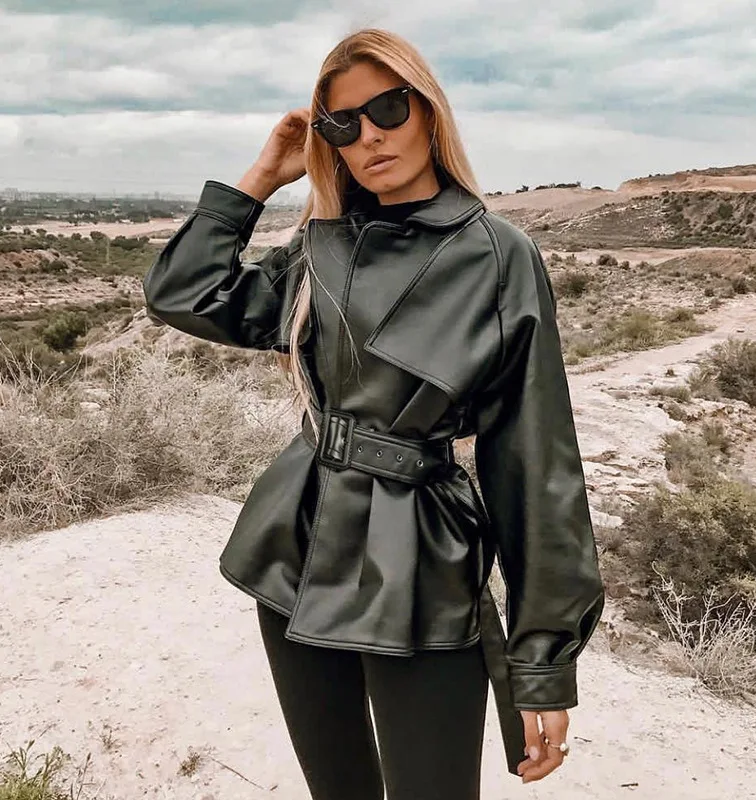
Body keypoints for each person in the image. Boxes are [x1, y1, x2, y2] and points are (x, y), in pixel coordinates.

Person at [142, 27, 605, 800]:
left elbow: (536, 465)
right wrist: (263, 176)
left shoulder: (498, 256)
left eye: (388, 109)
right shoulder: (319, 247)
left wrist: (544, 666)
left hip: (421, 563)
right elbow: (183, 294)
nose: (370, 136)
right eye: (342, 124)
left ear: (428, 110)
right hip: (299, 544)